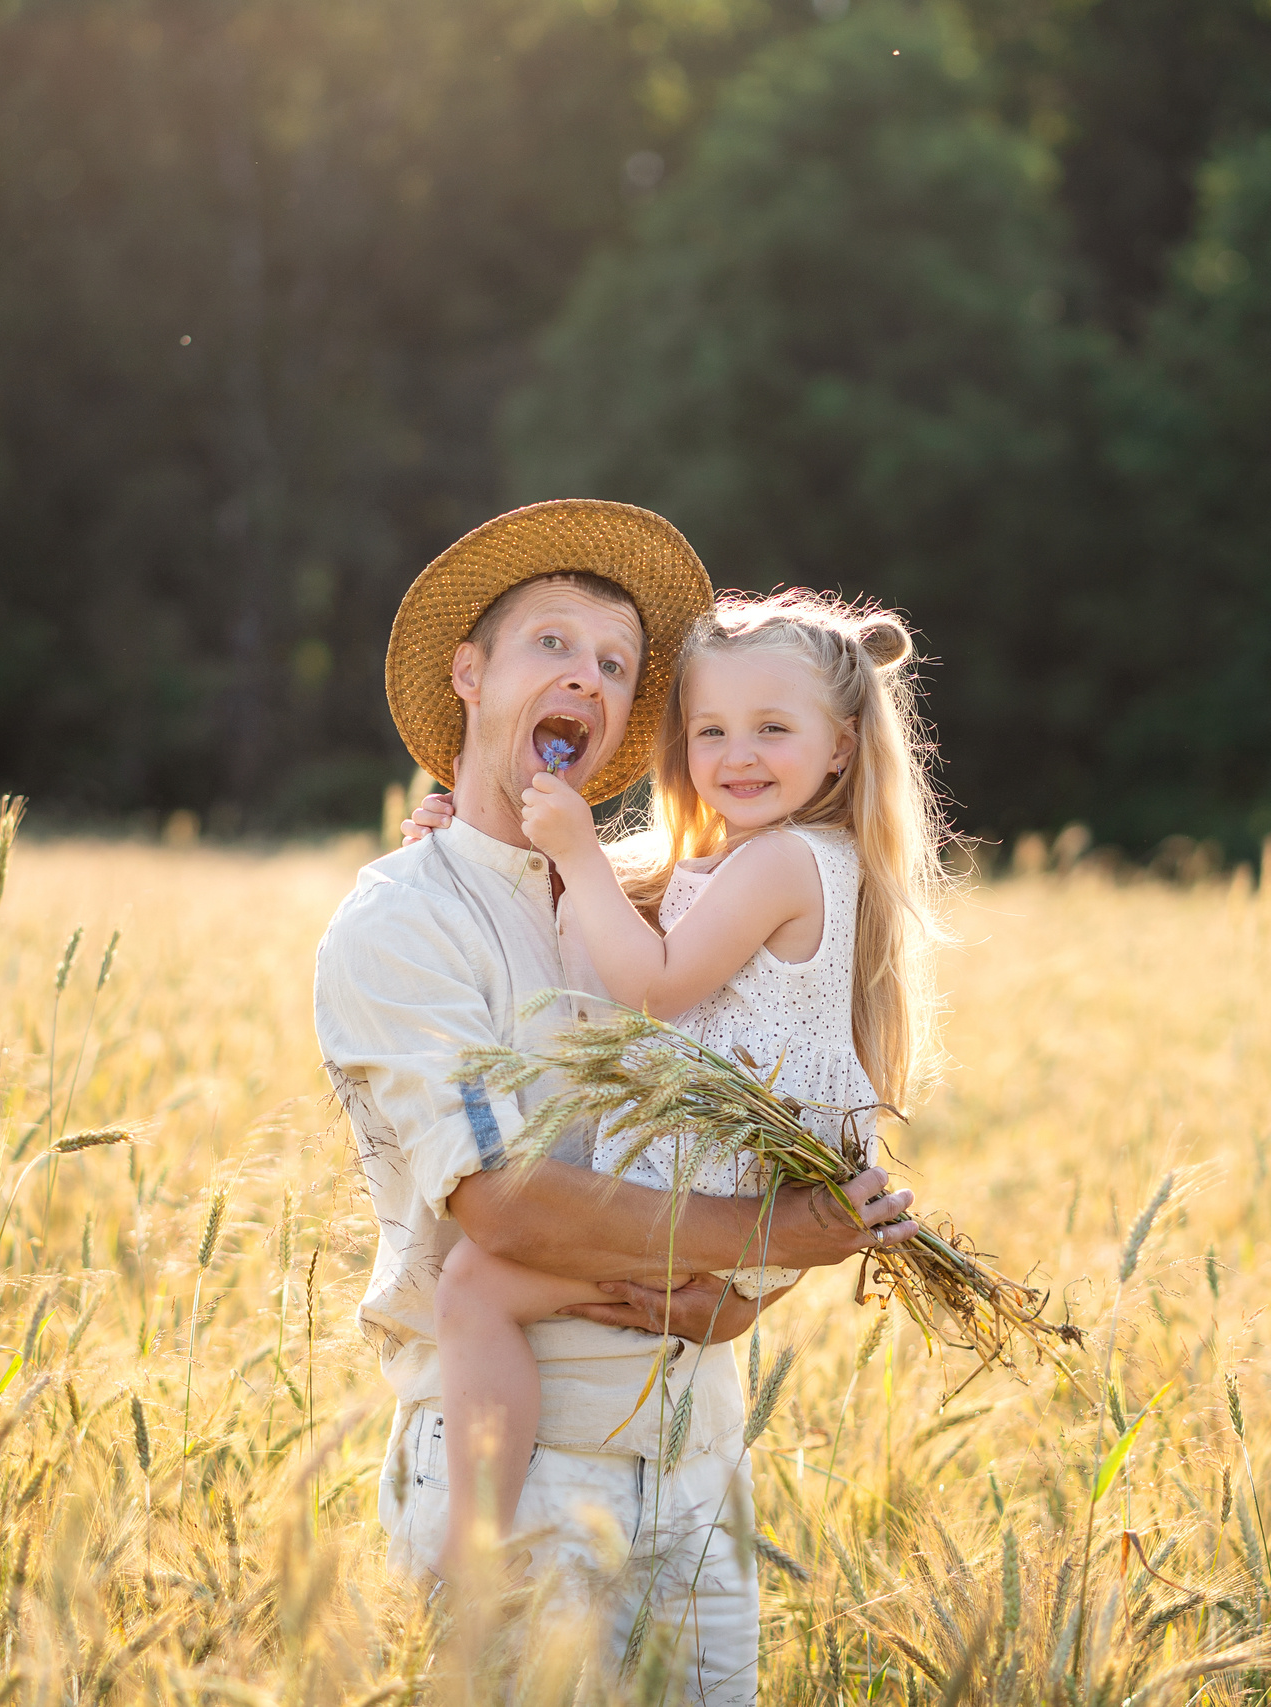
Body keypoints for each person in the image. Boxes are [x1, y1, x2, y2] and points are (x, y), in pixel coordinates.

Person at [312, 501, 918, 1705]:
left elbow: (743, 1080)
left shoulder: (639, 896)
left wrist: (738, 1292)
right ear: (470, 676)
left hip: (697, 1474)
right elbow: (507, 1206)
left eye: (615, 665)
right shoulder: (410, 918)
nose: (585, 679)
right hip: (530, 1483)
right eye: (552, 647)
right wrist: (772, 1240)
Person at [412, 590, 947, 1607]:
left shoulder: (787, 861)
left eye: (772, 730)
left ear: (839, 750)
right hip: (717, 1177)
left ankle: (473, 1543)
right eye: (710, 731)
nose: (736, 754)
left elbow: (651, 981)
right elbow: (582, 900)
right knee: (498, 1272)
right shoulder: (757, 860)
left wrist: (573, 849)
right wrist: (460, 846)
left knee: (477, 1285)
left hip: (717, 1182)